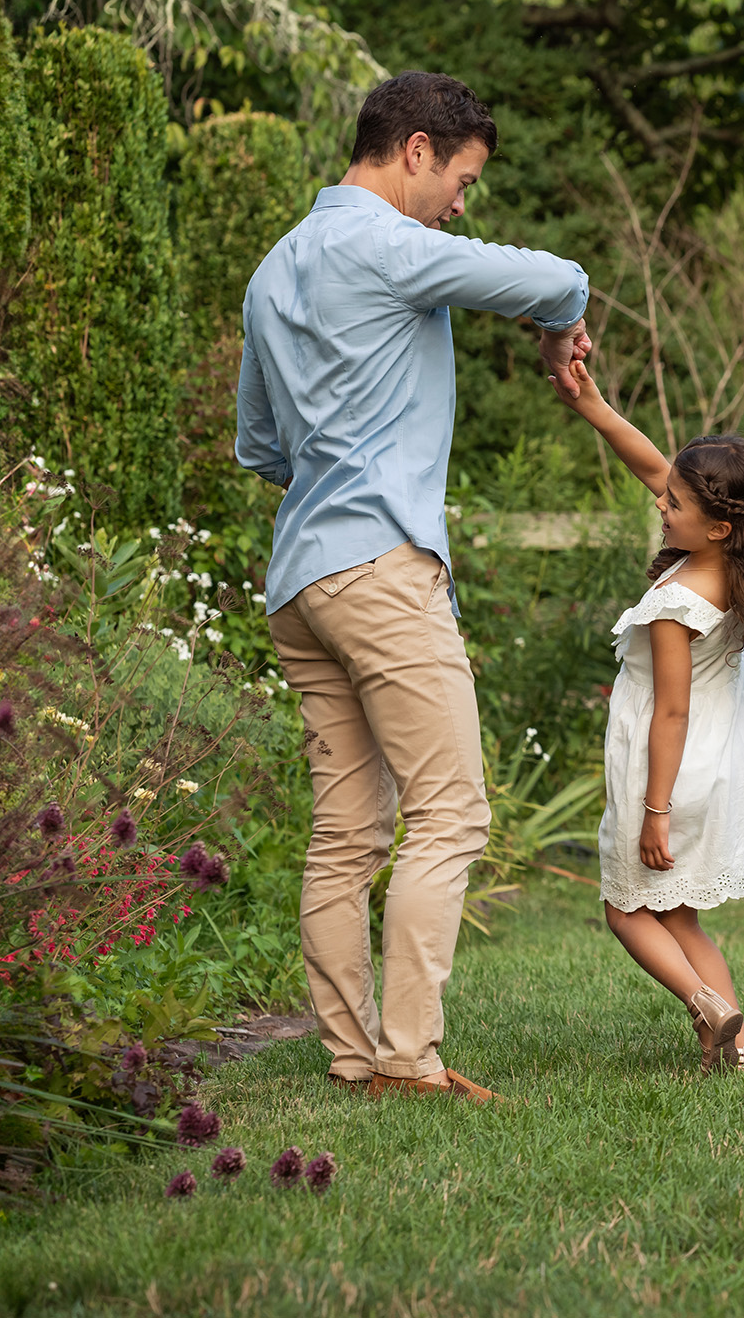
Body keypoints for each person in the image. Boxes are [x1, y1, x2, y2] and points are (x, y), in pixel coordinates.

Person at [236, 71, 593, 1101]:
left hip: (301, 575)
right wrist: (560, 328)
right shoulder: (385, 243)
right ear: (417, 150)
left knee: (345, 830)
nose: (461, 204)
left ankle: (353, 1057)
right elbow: (555, 277)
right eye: (462, 178)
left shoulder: (274, 272)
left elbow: (261, 444)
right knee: (451, 811)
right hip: (379, 565)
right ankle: (405, 1058)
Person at [552, 359, 744, 1076]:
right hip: (719, 764)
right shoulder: (742, 559)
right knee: (681, 913)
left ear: (718, 523)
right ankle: (742, 1053)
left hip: (665, 769)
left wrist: (654, 809)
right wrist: (595, 406)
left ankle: (705, 1003)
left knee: (626, 909)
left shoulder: (676, 604)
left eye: (674, 503)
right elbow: (656, 467)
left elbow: (670, 709)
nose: (662, 503)